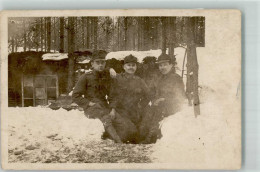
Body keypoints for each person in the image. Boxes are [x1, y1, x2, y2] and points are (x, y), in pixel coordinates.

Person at [72, 50, 122, 143]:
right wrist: (88, 103)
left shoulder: (107, 76)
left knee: (121, 121)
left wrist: (113, 109)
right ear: (92, 64)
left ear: (105, 63)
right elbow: (75, 96)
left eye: (102, 62)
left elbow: (113, 94)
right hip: (91, 108)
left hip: (104, 106)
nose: (100, 65)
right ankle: (119, 142)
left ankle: (127, 139)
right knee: (106, 118)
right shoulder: (85, 77)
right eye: (97, 62)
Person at [140, 53, 186, 144]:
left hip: (172, 107)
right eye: (160, 65)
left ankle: (150, 138)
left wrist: (164, 100)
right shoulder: (159, 78)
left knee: (157, 113)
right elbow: (153, 93)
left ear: (171, 65)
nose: (162, 67)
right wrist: (154, 101)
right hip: (159, 105)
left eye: (165, 64)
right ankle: (141, 136)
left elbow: (180, 97)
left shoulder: (176, 78)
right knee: (147, 112)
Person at [108, 54, 151, 143]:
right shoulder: (118, 78)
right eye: (129, 65)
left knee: (142, 132)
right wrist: (112, 109)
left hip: (135, 111)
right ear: (124, 67)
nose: (131, 67)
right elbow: (112, 95)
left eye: (133, 65)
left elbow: (148, 95)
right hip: (121, 111)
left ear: (136, 67)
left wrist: (141, 105)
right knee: (131, 132)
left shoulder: (139, 80)